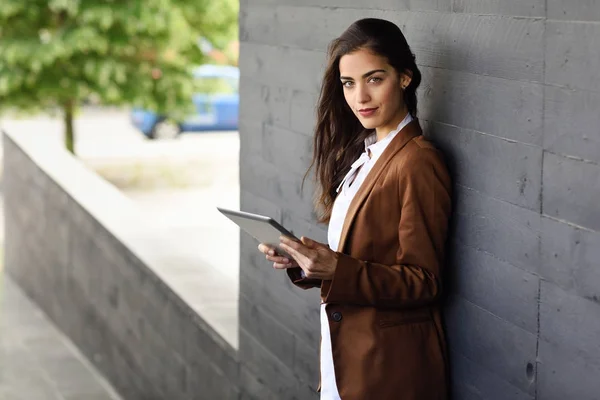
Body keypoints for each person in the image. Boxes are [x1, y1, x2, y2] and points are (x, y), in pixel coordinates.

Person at [258, 18, 452, 400]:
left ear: (405, 78)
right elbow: (359, 259)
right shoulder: (365, 155)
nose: (359, 97)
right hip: (343, 362)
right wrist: (307, 261)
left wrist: (337, 269)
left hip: (386, 371)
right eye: (349, 83)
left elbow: (424, 281)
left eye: (374, 79)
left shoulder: (417, 161)